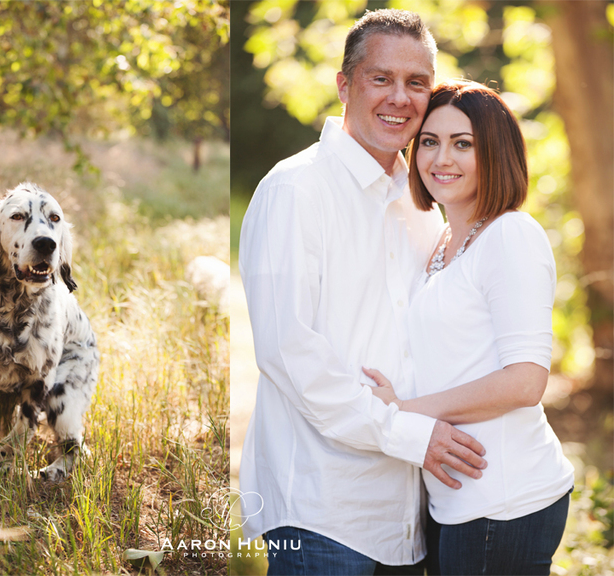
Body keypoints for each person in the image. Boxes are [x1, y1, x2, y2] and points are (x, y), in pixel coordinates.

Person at [239, 10, 488, 576]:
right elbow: (289, 353)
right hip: (323, 510)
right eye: (381, 78)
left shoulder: (424, 202)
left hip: (412, 514)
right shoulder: (295, 191)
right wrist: (409, 434)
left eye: (416, 82)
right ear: (344, 85)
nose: (400, 97)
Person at [363, 81, 575, 576]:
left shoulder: (510, 235)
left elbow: (526, 381)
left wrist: (401, 413)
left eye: (463, 144)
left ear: (495, 152)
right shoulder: (443, 242)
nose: (442, 159)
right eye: (430, 142)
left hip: (505, 500)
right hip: (454, 502)